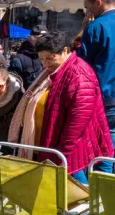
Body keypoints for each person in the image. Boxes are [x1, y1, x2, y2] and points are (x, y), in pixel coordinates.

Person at [8, 31, 113, 184]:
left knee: (76, 189)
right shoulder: (56, 71)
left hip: (69, 149)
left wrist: (61, 154)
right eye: (42, 59)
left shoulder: (78, 74)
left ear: (64, 51)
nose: (45, 64)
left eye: (50, 58)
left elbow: (78, 121)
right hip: (54, 145)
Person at [79, 0, 115, 173]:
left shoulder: (96, 26)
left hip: (105, 97)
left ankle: (102, 191)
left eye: (88, 7)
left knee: (101, 147)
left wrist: (85, 29)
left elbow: (83, 66)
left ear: (99, 3)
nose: (87, 12)